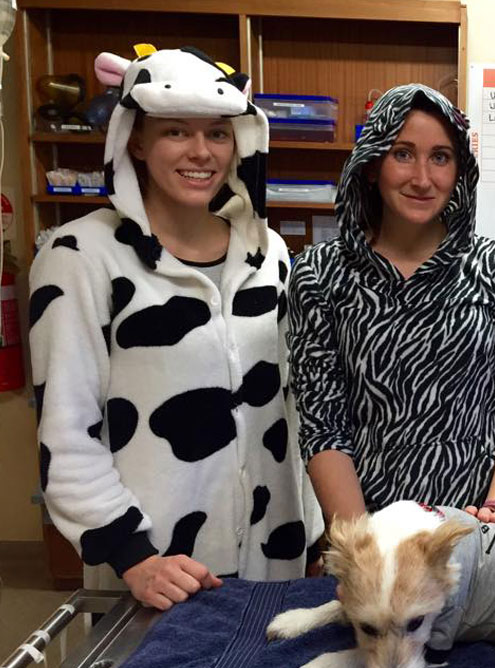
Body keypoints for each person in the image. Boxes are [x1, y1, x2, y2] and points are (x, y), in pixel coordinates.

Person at [28, 46, 322, 611]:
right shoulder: (80, 256)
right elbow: (66, 431)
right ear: (135, 139)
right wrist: (133, 555)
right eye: (176, 132)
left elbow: (290, 406)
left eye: (217, 132)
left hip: (277, 559)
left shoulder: (268, 252)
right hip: (161, 569)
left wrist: (311, 531)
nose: (200, 152)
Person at [287, 84, 495, 525]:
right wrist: (363, 543)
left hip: (478, 525)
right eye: (403, 153)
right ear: (372, 165)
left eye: (440, 157)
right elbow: (322, 425)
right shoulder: (320, 274)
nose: (423, 178)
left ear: (459, 169)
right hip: (371, 522)